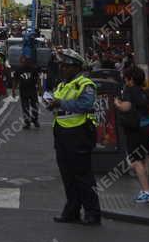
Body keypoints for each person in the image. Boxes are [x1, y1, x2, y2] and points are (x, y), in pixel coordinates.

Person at [47, 50, 101, 226]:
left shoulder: (85, 84)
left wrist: (60, 103)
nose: (62, 69)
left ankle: (92, 213)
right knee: (67, 176)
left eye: (66, 66)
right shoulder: (63, 85)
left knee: (83, 176)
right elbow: (58, 106)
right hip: (62, 134)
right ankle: (72, 211)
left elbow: (85, 105)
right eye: (61, 66)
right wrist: (52, 104)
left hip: (79, 134)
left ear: (76, 67)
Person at [115, 66, 149, 203]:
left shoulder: (129, 90)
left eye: (126, 77)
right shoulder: (144, 90)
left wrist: (117, 103)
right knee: (144, 158)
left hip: (136, 129)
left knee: (135, 161)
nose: (125, 80)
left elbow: (126, 107)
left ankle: (146, 192)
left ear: (130, 79)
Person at [15, 49, 41, 129]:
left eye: (25, 60)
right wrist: (13, 90)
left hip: (32, 90)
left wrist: (40, 89)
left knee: (34, 106)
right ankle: (27, 122)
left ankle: (35, 120)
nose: (23, 62)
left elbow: (38, 79)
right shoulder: (19, 69)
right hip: (23, 90)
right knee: (25, 107)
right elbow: (15, 79)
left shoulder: (33, 69)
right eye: (22, 60)